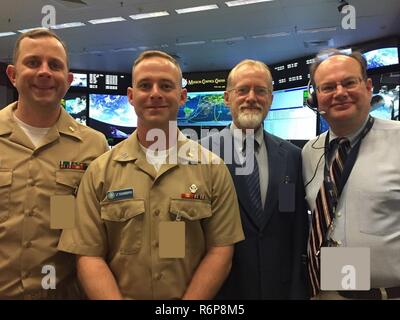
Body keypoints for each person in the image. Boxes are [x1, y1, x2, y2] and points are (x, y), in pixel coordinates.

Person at [58, 50, 244, 300]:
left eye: (166, 85)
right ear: (131, 97)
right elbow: (88, 254)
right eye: (145, 85)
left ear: (181, 97)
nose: (155, 93)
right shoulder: (100, 171)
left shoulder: (212, 169)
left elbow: (220, 251)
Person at [0, 28, 109, 299]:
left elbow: (100, 232)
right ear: (12, 75)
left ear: (68, 80)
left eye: (55, 65)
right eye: (33, 62)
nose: (45, 72)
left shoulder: (94, 146)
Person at [202, 59, 309, 299]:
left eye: (261, 91)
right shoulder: (201, 155)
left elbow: (295, 226)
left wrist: (297, 290)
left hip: (279, 289)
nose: (251, 97)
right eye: (242, 90)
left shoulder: (291, 156)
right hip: (222, 291)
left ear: (270, 99)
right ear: (227, 98)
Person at [302, 49, 400, 299]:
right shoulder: (309, 152)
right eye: (328, 87)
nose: (340, 93)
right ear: (317, 98)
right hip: (330, 290)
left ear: (368, 87)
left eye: (348, 82)